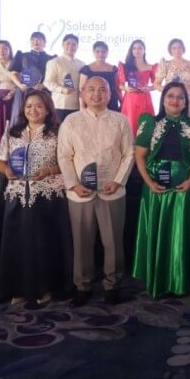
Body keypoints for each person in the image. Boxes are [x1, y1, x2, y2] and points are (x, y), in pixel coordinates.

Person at [57, 76, 134, 306]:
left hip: (112, 190)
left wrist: (119, 181)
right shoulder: (71, 121)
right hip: (80, 192)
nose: (97, 94)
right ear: (82, 94)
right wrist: (73, 184)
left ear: (110, 94)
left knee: (113, 242)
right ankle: (83, 286)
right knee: (81, 242)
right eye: (91, 89)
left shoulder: (121, 121)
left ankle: (112, 285)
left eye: (102, 90)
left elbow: (129, 154)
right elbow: (64, 155)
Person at [0, 89, 71, 307]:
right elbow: (0, 161)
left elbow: (67, 163)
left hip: (47, 194)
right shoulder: (13, 132)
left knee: (42, 243)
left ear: (48, 109)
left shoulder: (57, 132)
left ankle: (44, 288)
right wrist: (6, 170)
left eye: (38, 105)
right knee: (17, 243)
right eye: (28, 106)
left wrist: (48, 171)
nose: (33, 110)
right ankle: (18, 289)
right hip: (17, 194)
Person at [132, 82, 190, 298]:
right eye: (170, 95)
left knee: (181, 233)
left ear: (185, 101)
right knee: (157, 230)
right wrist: (149, 182)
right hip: (155, 186)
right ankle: (157, 280)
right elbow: (140, 156)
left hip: (184, 185)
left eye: (180, 97)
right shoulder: (150, 121)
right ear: (163, 98)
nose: (175, 100)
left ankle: (180, 281)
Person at [9, 31, 55, 120]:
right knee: (22, 118)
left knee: (44, 118)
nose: (36, 42)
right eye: (33, 40)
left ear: (45, 43)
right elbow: (12, 74)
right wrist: (19, 85)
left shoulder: (51, 58)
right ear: (30, 42)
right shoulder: (22, 56)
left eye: (39, 39)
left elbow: (54, 77)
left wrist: (43, 85)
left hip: (44, 92)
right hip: (25, 92)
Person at [118, 39, 157, 135]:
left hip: (144, 98)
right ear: (131, 51)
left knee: (145, 126)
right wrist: (126, 89)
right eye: (134, 48)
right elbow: (120, 85)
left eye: (140, 48)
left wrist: (149, 88)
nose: (137, 50)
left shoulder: (151, 67)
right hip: (130, 99)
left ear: (144, 50)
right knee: (130, 126)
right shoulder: (125, 66)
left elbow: (156, 85)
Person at [44, 33, 85, 121]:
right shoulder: (54, 62)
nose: (71, 46)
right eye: (68, 43)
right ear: (62, 45)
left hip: (77, 105)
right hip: (60, 105)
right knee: (58, 131)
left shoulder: (82, 64)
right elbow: (47, 82)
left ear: (77, 47)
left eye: (74, 44)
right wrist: (62, 89)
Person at [155, 38, 190, 118]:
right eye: (174, 48)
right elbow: (156, 83)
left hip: (187, 100)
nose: (177, 50)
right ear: (170, 50)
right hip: (170, 101)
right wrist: (166, 91)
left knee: (188, 127)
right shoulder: (166, 64)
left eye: (179, 47)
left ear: (183, 49)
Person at [79, 40, 120, 111]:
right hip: (93, 103)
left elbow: (118, 88)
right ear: (93, 53)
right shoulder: (86, 69)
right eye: (97, 51)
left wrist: (122, 103)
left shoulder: (114, 69)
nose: (101, 54)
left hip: (111, 104)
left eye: (103, 51)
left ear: (107, 53)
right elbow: (82, 90)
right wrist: (82, 107)